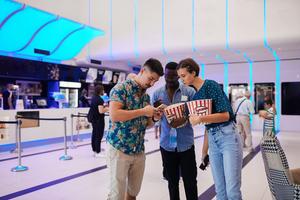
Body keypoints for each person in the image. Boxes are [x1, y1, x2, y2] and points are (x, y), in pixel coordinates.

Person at [177, 58, 243, 200]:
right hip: (213, 141)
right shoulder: (196, 96)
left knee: (232, 190)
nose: (181, 80)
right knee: (220, 191)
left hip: (228, 137)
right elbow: (209, 127)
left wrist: (200, 118)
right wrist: (204, 152)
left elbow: (225, 115)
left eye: (183, 75)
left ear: (193, 72)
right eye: (180, 77)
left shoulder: (210, 85)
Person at [106, 58, 164, 200]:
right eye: (150, 79)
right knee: (116, 195)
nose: (151, 84)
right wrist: (143, 112)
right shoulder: (120, 89)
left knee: (133, 193)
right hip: (119, 149)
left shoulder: (146, 96)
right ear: (142, 71)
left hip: (138, 150)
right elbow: (114, 115)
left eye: (155, 81)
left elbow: (147, 124)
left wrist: (155, 117)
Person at [152, 61, 198, 200]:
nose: (170, 79)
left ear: (178, 75)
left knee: (190, 182)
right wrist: (155, 116)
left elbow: (196, 115)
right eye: (167, 76)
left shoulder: (189, 91)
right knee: (172, 183)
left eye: (173, 76)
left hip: (186, 145)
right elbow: (154, 120)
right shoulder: (157, 94)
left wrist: (184, 117)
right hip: (166, 146)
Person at [87, 85, 108, 157]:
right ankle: (98, 152)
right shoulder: (99, 99)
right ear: (100, 90)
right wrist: (108, 109)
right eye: (103, 90)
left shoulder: (94, 98)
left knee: (95, 134)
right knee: (98, 135)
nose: (104, 91)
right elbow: (101, 111)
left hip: (94, 119)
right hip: (98, 120)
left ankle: (95, 149)